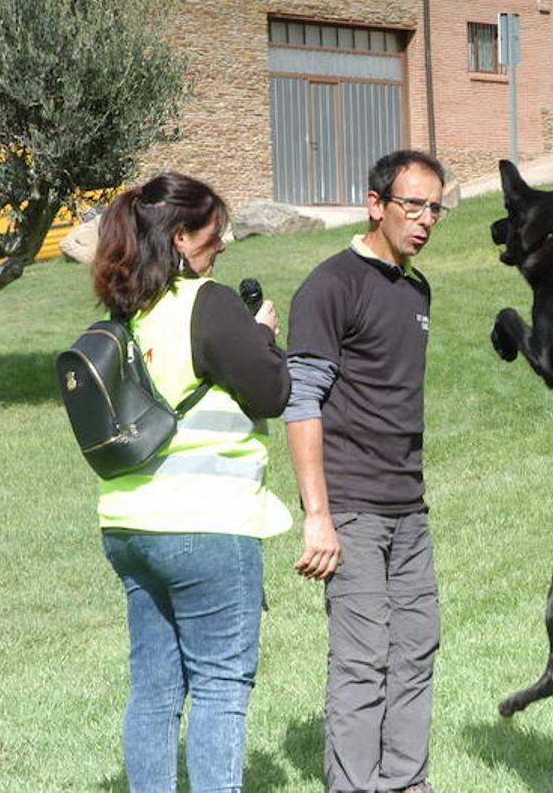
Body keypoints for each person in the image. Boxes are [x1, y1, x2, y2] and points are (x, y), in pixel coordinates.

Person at [91, 173, 292, 792]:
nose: (223, 243)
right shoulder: (208, 303)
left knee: (153, 689)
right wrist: (262, 336)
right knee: (221, 687)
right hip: (207, 524)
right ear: (181, 237)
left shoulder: (129, 314)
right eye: (215, 232)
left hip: (129, 525)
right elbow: (273, 391)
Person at [285, 149, 447, 793]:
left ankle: (406, 782)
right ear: (375, 204)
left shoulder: (415, 288)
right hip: (351, 506)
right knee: (362, 661)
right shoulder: (332, 285)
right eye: (413, 205)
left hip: (409, 506)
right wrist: (317, 516)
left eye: (436, 207)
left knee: (416, 650)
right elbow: (301, 403)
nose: (426, 219)